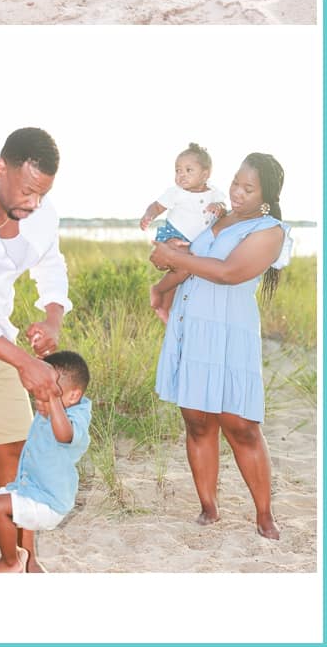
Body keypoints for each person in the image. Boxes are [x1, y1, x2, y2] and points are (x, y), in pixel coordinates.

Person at [150, 152, 290, 540]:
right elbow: (184, 260)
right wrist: (163, 276)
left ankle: (264, 515)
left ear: (265, 195)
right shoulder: (214, 214)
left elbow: (229, 273)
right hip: (190, 324)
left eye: (248, 188)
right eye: (235, 183)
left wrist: (178, 258)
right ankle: (208, 508)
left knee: (240, 425)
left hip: (229, 332)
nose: (237, 192)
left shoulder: (270, 229)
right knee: (197, 422)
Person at [0, 126, 72, 573]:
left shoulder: (41, 213)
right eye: (27, 190)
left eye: (41, 194)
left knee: (18, 452)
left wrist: (52, 319)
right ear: (0, 167)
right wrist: (26, 363)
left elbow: (51, 264)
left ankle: (25, 560)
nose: (33, 203)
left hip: (1, 340)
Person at [0, 350, 91, 573]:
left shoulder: (76, 417)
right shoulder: (48, 404)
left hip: (49, 501)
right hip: (28, 490)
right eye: (36, 394)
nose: (38, 400)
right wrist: (40, 364)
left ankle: (11, 562)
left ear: (73, 396)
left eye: (45, 394)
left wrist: (53, 399)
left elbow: (64, 435)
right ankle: (20, 555)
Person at [139, 142, 226, 322]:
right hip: (174, 235)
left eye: (188, 170)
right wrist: (149, 215)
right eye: (178, 170)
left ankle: (165, 304)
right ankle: (159, 290)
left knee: (183, 272)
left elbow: (224, 208)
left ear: (205, 174)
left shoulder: (214, 193)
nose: (181, 175)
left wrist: (218, 207)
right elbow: (156, 206)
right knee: (183, 266)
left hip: (194, 242)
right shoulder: (175, 193)